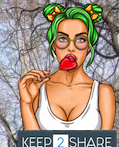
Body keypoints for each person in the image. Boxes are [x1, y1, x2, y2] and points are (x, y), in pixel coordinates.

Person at [19, 3, 114, 131]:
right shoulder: (38, 90)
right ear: (53, 45)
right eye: (63, 39)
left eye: (80, 40)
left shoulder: (103, 92)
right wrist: (26, 104)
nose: (71, 48)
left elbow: (105, 142)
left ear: (89, 46)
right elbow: (33, 142)